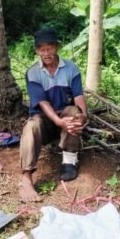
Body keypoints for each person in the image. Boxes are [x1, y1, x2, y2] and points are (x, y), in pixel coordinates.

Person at [19, 27, 87, 202]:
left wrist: (83, 116)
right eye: (42, 49)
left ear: (57, 47)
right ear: (37, 51)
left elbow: (78, 96)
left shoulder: (71, 68)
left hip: (66, 117)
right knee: (31, 125)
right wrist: (58, 121)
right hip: (47, 121)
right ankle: (26, 177)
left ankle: (69, 161)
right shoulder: (33, 73)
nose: (46, 53)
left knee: (74, 112)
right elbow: (42, 102)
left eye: (49, 48)